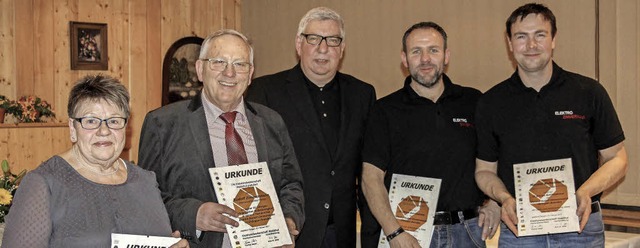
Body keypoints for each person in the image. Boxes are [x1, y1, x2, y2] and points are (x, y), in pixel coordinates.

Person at [475, 3, 628, 247]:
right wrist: (504, 198)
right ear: (509, 43)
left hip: (581, 228)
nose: (531, 45)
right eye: (521, 37)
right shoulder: (491, 102)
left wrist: (586, 191)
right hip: (519, 232)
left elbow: (617, 158)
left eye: (540, 35)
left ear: (554, 39)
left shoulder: (588, 92)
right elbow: (484, 171)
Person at [138, 29, 305, 248]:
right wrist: (193, 214)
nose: (229, 73)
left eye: (240, 64)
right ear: (200, 69)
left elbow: (291, 185)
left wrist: (288, 221)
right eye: (219, 62)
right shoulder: (162, 124)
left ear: (251, 73)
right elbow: (144, 199)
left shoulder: (272, 122)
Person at [2, 75, 188, 248]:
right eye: (91, 121)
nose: (104, 131)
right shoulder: (43, 184)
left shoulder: (146, 181)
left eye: (114, 121)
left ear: (126, 126)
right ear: (73, 128)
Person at [359, 22, 500, 248]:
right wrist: (393, 232)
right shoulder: (384, 110)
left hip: (468, 232)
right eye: (416, 51)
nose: (425, 59)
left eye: (433, 50)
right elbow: (370, 178)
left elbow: (494, 159)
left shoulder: (474, 102)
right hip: (409, 233)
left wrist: (495, 202)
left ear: (446, 56)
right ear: (404, 59)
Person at [246, 7, 376, 248]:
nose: (323, 48)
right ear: (299, 44)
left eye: (333, 40)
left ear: (342, 48)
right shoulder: (265, 92)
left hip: (342, 232)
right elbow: (254, 166)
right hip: (290, 231)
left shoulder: (363, 94)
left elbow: (366, 169)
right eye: (313, 39)